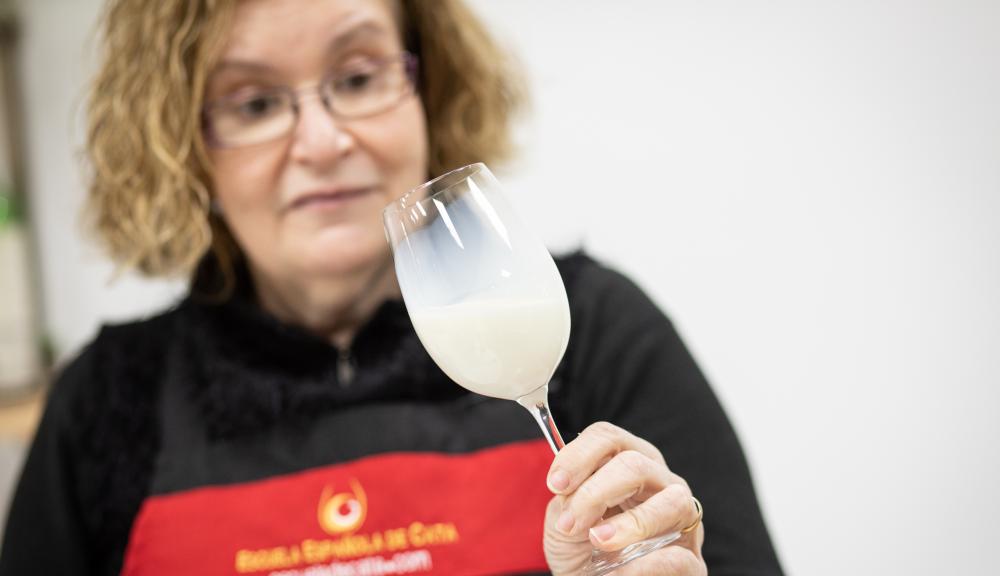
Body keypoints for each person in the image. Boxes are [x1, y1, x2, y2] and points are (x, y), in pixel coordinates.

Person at [0, 0, 783, 574]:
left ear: (426, 91)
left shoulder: (594, 333)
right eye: (256, 102)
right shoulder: (105, 400)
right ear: (182, 146)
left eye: (359, 75)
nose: (323, 139)